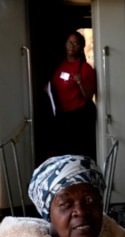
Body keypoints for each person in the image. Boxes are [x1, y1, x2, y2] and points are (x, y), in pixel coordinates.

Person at [49, 30, 97, 160]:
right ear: (65, 44)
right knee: (63, 153)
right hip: (62, 116)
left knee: (78, 154)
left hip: (78, 118)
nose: (72, 45)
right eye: (70, 42)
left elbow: (89, 95)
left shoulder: (85, 68)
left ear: (81, 47)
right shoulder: (60, 65)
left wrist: (80, 82)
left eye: (76, 43)